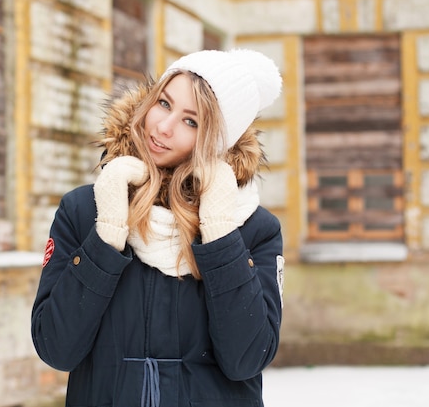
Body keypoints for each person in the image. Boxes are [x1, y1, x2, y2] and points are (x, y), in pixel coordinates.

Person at [31, 49, 285, 407]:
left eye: (191, 121)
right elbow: (56, 348)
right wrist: (107, 235)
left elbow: (247, 357)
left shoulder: (253, 229)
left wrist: (219, 230)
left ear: (217, 140)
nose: (163, 127)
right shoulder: (82, 210)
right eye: (164, 104)